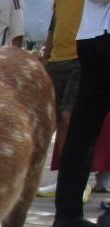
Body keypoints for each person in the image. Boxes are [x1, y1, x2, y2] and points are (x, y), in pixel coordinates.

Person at [48, 0, 109, 227]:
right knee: (82, 129)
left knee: (82, 129)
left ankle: (67, 215)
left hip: (89, 37)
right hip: (103, 35)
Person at [37, 0, 105, 201]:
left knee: (70, 119)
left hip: (80, 56)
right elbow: (54, 23)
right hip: (57, 60)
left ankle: (76, 184)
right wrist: (46, 57)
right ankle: (60, 179)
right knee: (52, 121)